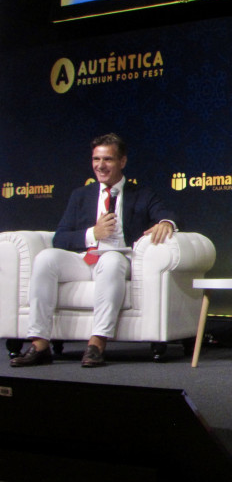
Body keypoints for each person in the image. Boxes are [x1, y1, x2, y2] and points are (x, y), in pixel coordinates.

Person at [10, 133, 178, 368]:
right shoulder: (81, 196)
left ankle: (96, 344)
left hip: (117, 259)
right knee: (46, 258)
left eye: (108, 159)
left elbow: (166, 214)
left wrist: (165, 223)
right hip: (84, 259)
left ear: (122, 162)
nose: (100, 166)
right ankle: (39, 345)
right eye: (96, 159)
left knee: (110, 260)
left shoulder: (141, 194)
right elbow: (60, 238)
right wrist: (93, 234)